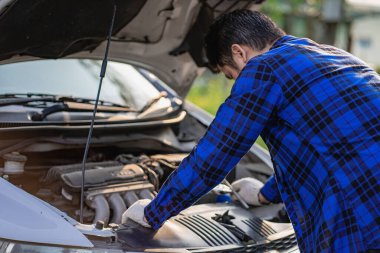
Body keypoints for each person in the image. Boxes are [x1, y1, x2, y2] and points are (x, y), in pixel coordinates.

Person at [122, 9, 380, 252]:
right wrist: (264, 195)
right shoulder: (336, 56)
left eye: (231, 75)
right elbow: (326, 145)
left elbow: (217, 153)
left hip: (362, 215)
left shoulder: (264, 68)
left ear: (239, 54)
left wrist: (152, 212)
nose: (238, 82)